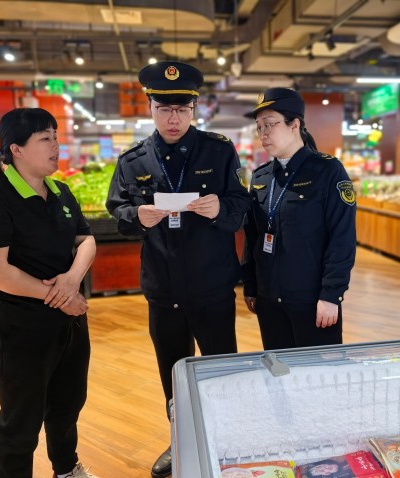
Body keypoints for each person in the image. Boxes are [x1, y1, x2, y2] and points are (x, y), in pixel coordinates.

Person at [105, 61, 251, 478]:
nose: (173, 118)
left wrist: (221, 206)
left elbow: (241, 205)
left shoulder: (218, 151)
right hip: (163, 287)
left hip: (212, 285)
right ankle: (180, 439)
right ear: (150, 108)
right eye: (164, 109)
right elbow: (117, 210)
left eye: (182, 110)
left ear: (193, 109)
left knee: (220, 368)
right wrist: (137, 216)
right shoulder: (132, 160)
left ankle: (226, 441)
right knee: (172, 371)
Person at [0, 108, 98, 478]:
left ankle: (66, 469)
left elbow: (86, 240)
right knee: (20, 422)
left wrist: (72, 279)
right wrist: (61, 296)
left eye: (56, 136)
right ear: (17, 149)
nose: (56, 145)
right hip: (21, 330)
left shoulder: (61, 191)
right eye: (45, 138)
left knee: (67, 406)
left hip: (70, 325)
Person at [241, 87, 356, 350]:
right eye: (259, 127)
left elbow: (342, 238)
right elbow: (252, 237)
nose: (263, 134)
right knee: (278, 369)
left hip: (312, 301)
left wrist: (331, 295)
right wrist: (251, 286)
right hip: (269, 300)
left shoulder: (328, 171)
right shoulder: (260, 177)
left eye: (270, 124)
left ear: (294, 125)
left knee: (318, 372)